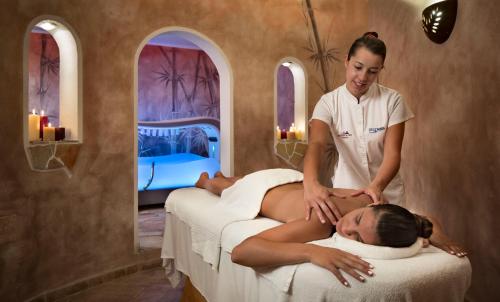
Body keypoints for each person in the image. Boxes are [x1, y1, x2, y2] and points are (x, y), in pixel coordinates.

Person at [195, 170, 467, 287]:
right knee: (225, 187)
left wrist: (433, 234)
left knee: (236, 180)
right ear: (372, 206)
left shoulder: (369, 209)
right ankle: (206, 182)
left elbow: (422, 218)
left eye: (358, 238)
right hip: (273, 184)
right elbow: (242, 252)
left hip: (281, 184)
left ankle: (220, 178)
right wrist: (312, 252)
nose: (347, 229)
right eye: (358, 220)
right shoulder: (321, 222)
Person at [303, 32, 414, 225]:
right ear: (347, 61)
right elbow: (317, 144)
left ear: (380, 70)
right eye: (358, 67)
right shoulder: (328, 103)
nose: (363, 77)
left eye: (372, 71)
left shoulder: (393, 101)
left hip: (386, 194)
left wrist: (376, 187)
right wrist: (310, 183)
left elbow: (392, 154)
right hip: (347, 195)